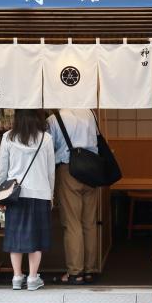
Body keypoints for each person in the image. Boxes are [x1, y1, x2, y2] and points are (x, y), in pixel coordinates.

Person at [0, 109, 55, 291]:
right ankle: (32, 278)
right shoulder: (46, 139)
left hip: (15, 195)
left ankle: (16, 277)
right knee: (36, 238)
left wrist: (0, 195)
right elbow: (50, 172)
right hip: (40, 193)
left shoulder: (7, 138)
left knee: (15, 236)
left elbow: (2, 170)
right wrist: (51, 195)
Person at [48, 109, 99, 285]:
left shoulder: (54, 119)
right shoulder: (90, 114)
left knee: (72, 222)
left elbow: (48, 147)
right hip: (91, 170)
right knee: (89, 222)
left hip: (69, 169)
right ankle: (90, 270)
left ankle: (75, 272)